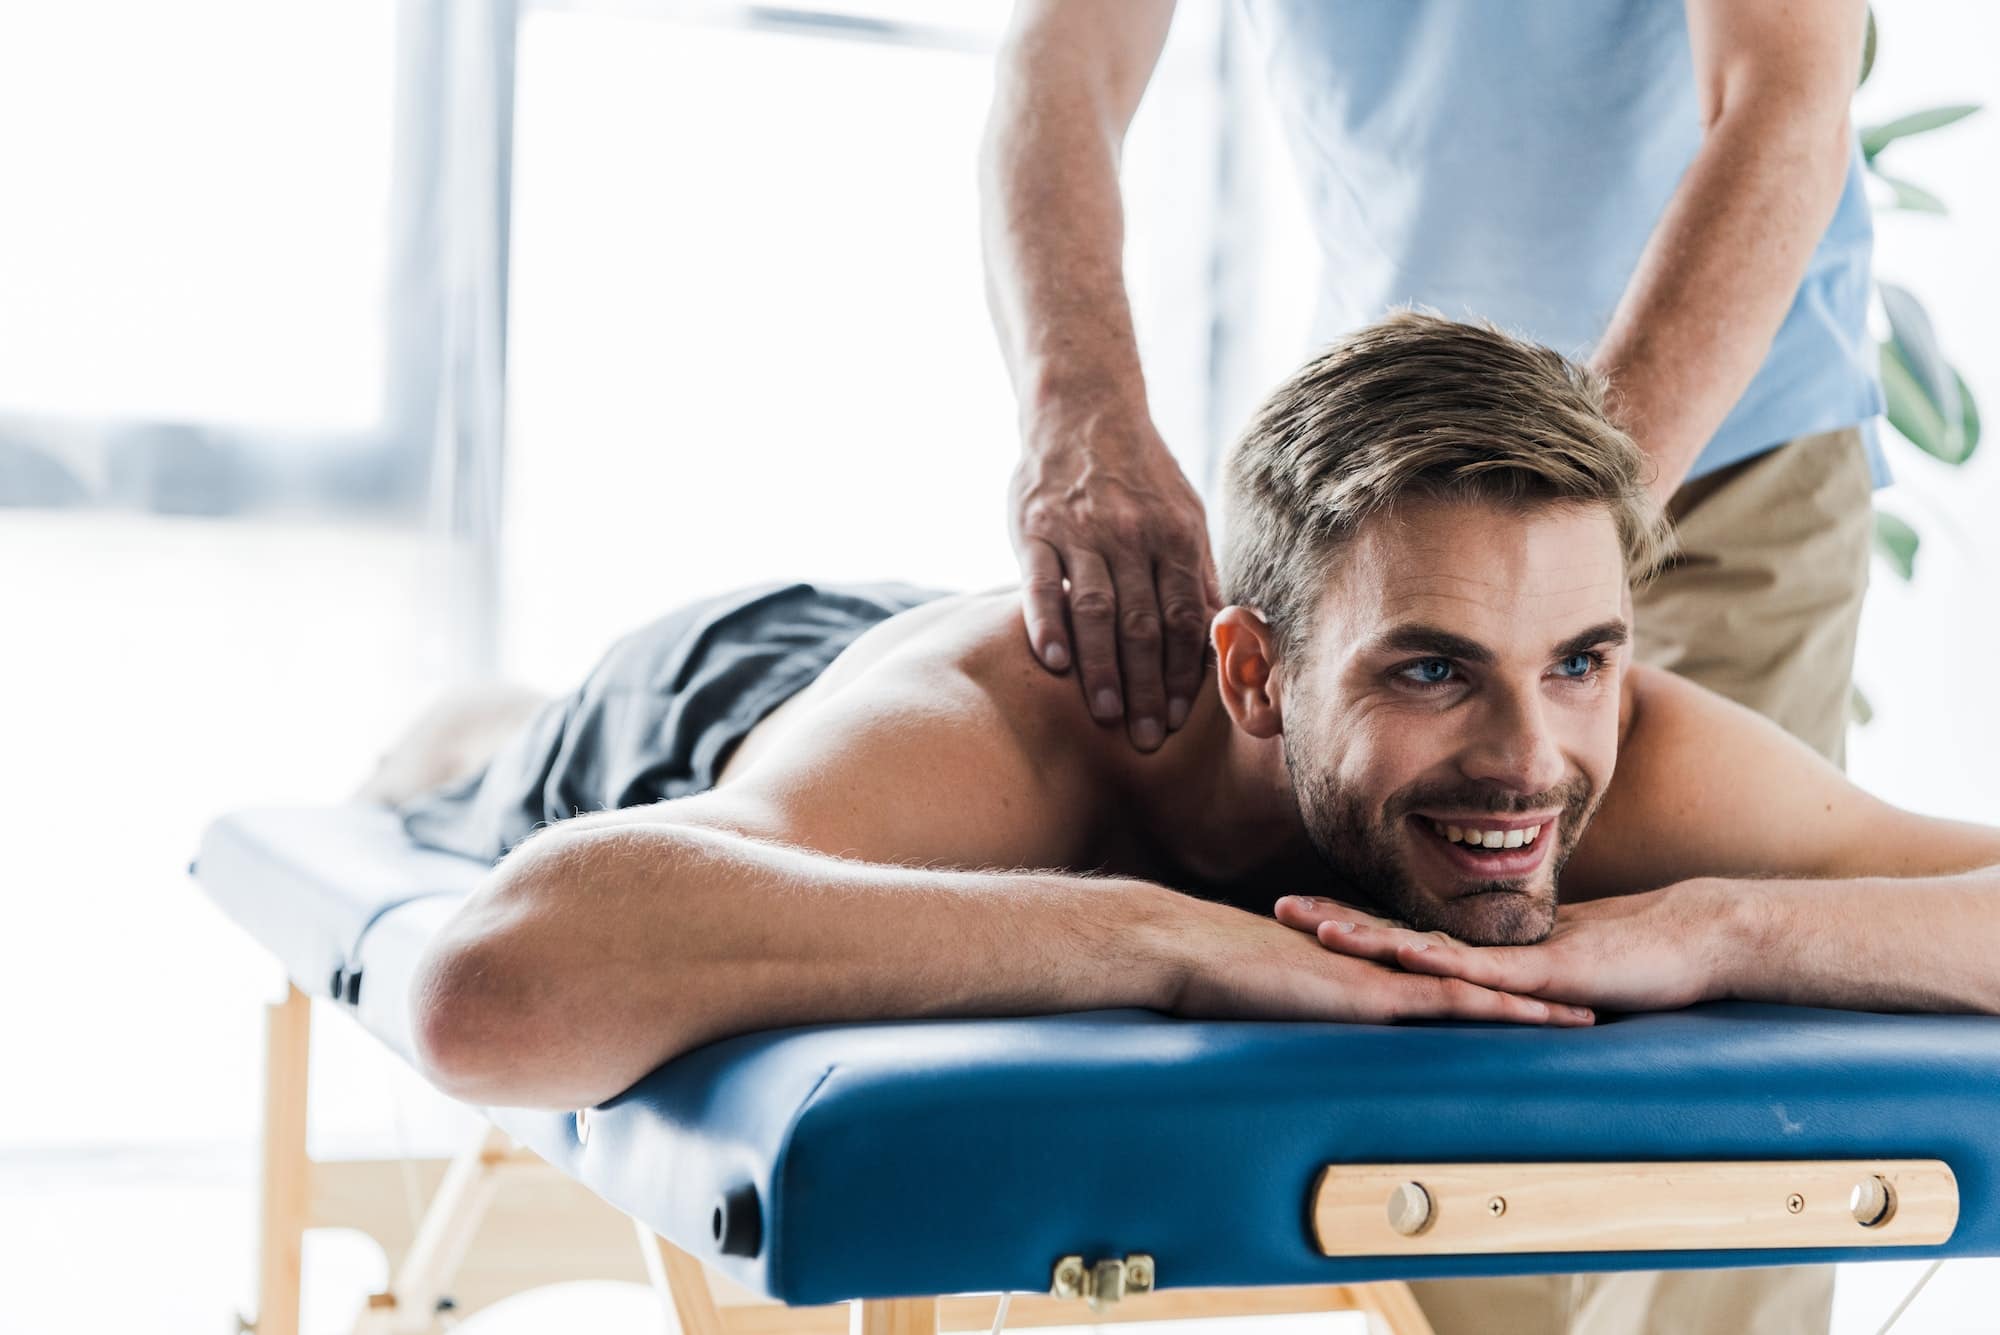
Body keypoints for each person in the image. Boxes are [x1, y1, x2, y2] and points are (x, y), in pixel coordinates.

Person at [398, 316, 1998, 1134]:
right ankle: (476, 730)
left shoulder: (1594, 739)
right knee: (470, 765)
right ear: (1250, 675)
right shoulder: (991, 734)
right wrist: (1173, 941)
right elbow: (495, 988)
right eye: (1428, 669)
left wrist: (1717, 923)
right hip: (729, 694)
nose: (1530, 759)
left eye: (1580, 655)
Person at [981, 0, 1882, 785]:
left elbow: (1784, 105)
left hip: (1723, 442)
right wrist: (1081, 413)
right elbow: (1064, 61)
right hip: (1386, 466)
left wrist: (1577, 534)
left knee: (1699, 923)